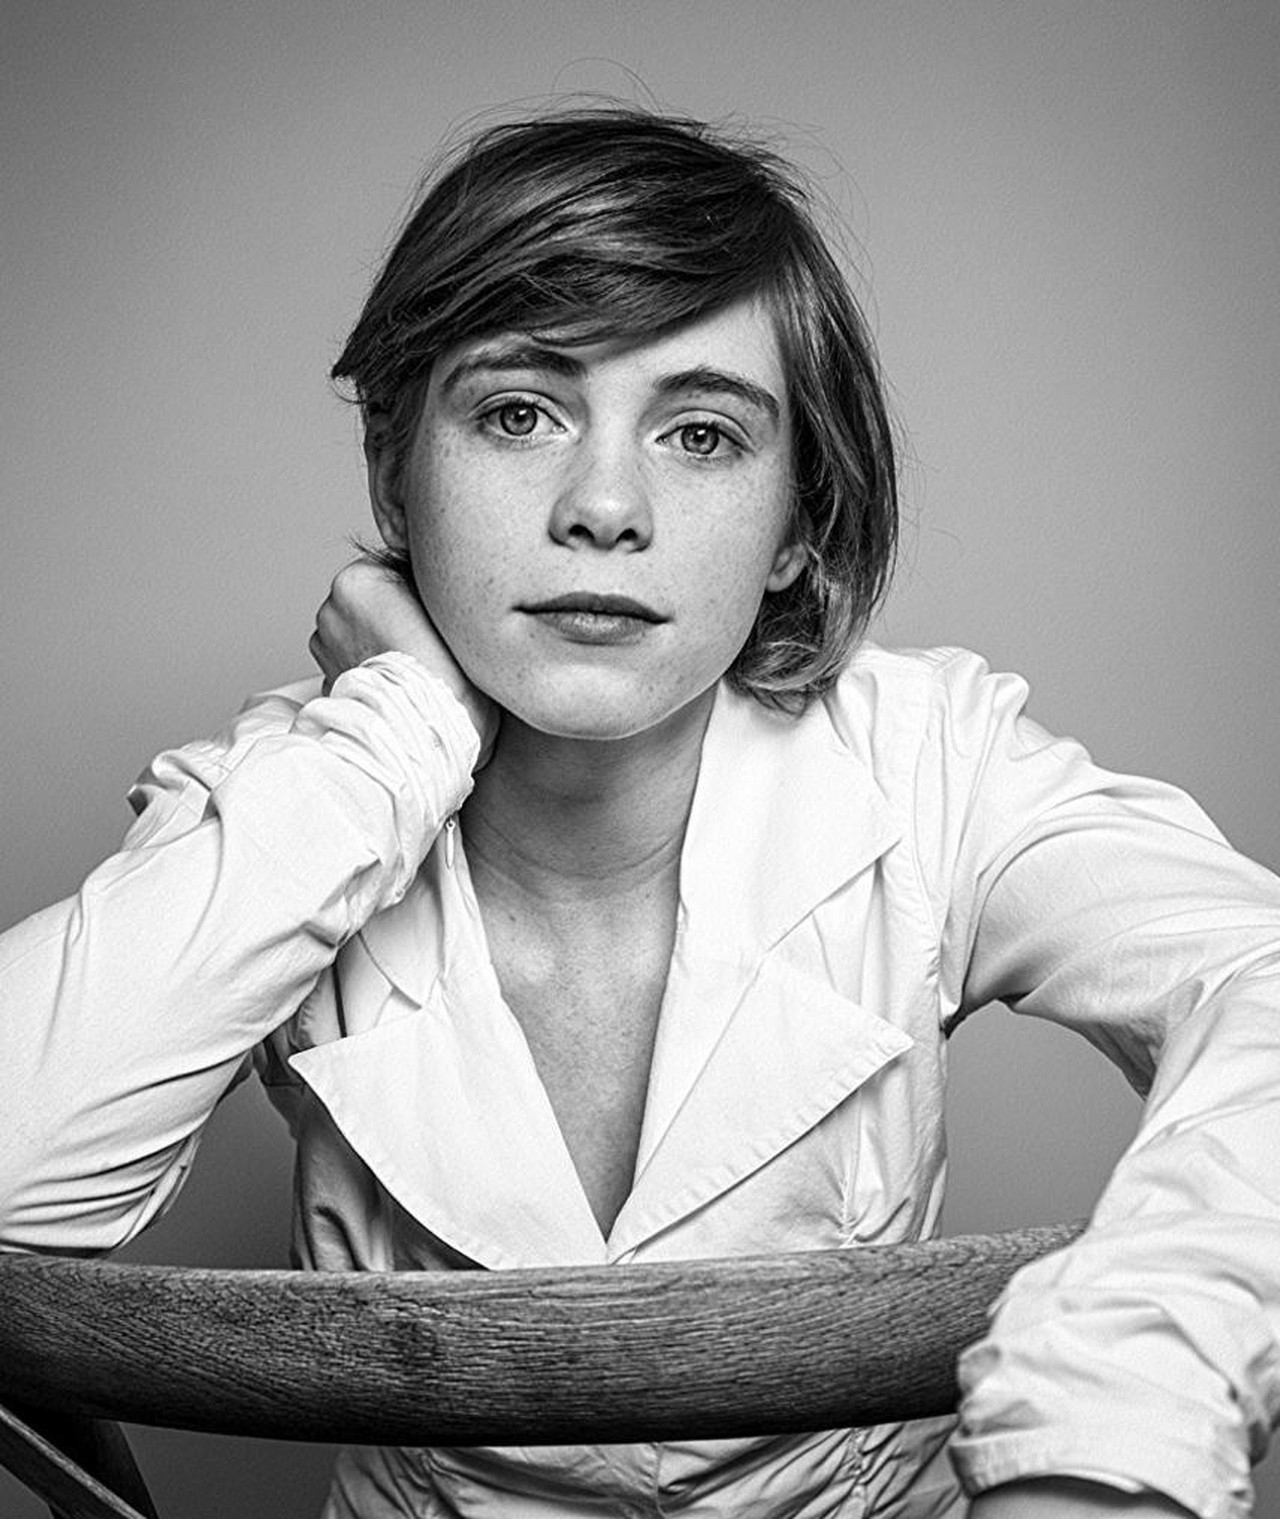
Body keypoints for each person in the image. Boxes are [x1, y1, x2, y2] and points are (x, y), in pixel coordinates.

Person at [1, 105, 1277, 1519]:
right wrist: (395, 739)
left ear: (797, 521)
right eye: (518, 413)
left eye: (703, 434)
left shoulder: (933, 763)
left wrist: (1112, 1428)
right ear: (393, 473)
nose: (605, 506)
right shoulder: (297, 795)